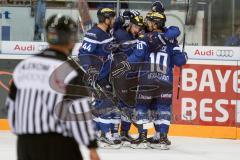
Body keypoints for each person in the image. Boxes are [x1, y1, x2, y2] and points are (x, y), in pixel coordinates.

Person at [5, 14, 100, 160]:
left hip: (25, 146)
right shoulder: (69, 71)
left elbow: (11, 109)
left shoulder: (23, 67)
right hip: (58, 145)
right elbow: (80, 113)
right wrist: (91, 147)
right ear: (71, 39)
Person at [112, 11, 187, 149]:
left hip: (148, 80)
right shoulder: (171, 40)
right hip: (166, 80)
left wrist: (123, 66)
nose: (146, 23)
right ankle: (163, 138)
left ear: (155, 23)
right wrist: (184, 54)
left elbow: (137, 56)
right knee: (163, 109)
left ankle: (142, 138)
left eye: (149, 21)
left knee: (142, 108)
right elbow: (180, 60)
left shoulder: (145, 37)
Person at [78, 8, 121, 148]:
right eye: (112, 18)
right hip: (97, 75)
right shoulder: (94, 33)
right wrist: (90, 70)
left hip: (105, 74)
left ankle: (94, 132)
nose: (114, 21)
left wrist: (113, 47)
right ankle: (103, 134)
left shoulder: (106, 32)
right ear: (106, 19)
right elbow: (83, 53)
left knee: (102, 103)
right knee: (106, 103)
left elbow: (104, 49)